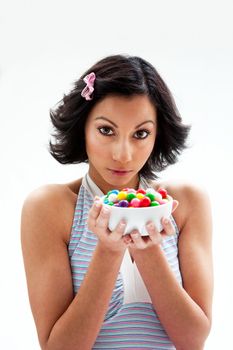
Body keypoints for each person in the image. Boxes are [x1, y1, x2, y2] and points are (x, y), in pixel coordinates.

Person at [21, 54, 213, 350]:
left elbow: (193, 341)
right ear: (83, 126)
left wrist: (147, 250)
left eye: (140, 133)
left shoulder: (186, 203)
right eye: (106, 130)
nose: (123, 154)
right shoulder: (49, 208)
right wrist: (109, 251)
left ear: (157, 134)